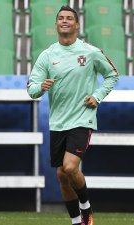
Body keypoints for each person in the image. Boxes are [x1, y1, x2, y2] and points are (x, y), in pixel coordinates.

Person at [27, 5, 119, 225]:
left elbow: (112, 75)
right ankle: (76, 221)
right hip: (58, 122)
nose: (65, 21)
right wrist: (41, 86)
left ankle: (86, 208)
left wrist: (97, 95)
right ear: (56, 24)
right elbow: (31, 88)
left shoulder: (90, 51)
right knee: (61, 175)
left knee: (69, 167)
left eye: (69, 18)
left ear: (77, 24)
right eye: (60, 18)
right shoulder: (47, 55)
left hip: (82, 118)